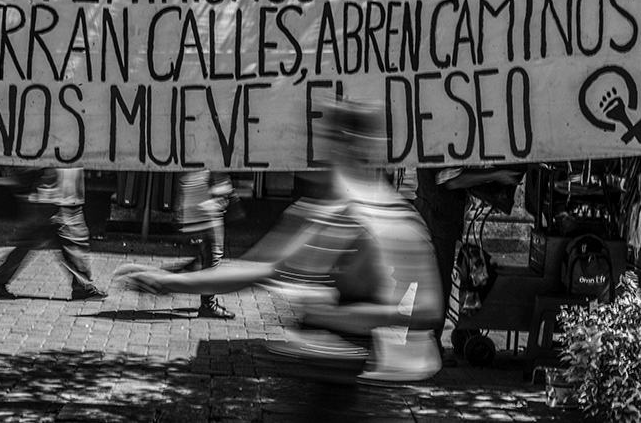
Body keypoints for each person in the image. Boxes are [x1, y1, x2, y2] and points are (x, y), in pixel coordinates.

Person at [115, 101, 446, 383]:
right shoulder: (325, 213)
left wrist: (339, 316)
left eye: (333, 138)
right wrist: (170, 282)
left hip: (375, 385)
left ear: (359, 145)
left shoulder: (391, 220)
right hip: (324, 381)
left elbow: (428, 309)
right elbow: (258, 270)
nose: (323, 150)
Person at [414, 166, 524, 366]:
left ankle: (427, 345)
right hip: (437, 219)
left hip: (434, 216)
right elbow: (452, 180)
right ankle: (429, 349)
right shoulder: (444, 149)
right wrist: (497, 174)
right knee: (438, 287)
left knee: (435, 286)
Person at [0, 167, 107, 301]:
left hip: (61, 193)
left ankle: (0, 277)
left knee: (44, 238)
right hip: (50, 193)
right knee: (58, 238)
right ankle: (81, 285)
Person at [175, 170, 236, 319]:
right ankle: (208, 305)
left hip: (194, 209)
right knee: (213, 258)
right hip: (206, 212)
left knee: (205, 258)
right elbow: (218, 184)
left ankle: (168, 279)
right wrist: (229, 193)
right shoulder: (214, 162)